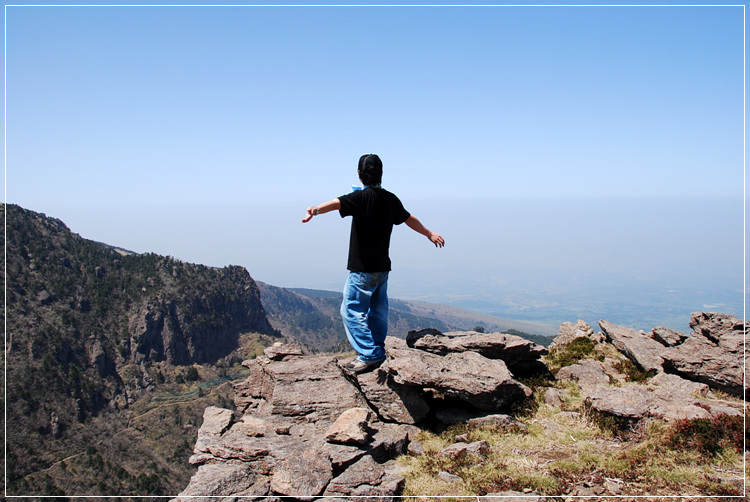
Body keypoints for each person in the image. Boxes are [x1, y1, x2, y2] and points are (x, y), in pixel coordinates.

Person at [302, 154, 445, 373]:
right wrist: (429, 233)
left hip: (362, 270)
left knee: (350, 310)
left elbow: (335, 203)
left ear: (359, 174)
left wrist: (315, 210)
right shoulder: (390, 198)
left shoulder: (360, 198)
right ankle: (377, 348)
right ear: (381, 174)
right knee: (378, 311)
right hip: (382, 268)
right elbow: (409, 218)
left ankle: (370, 354)